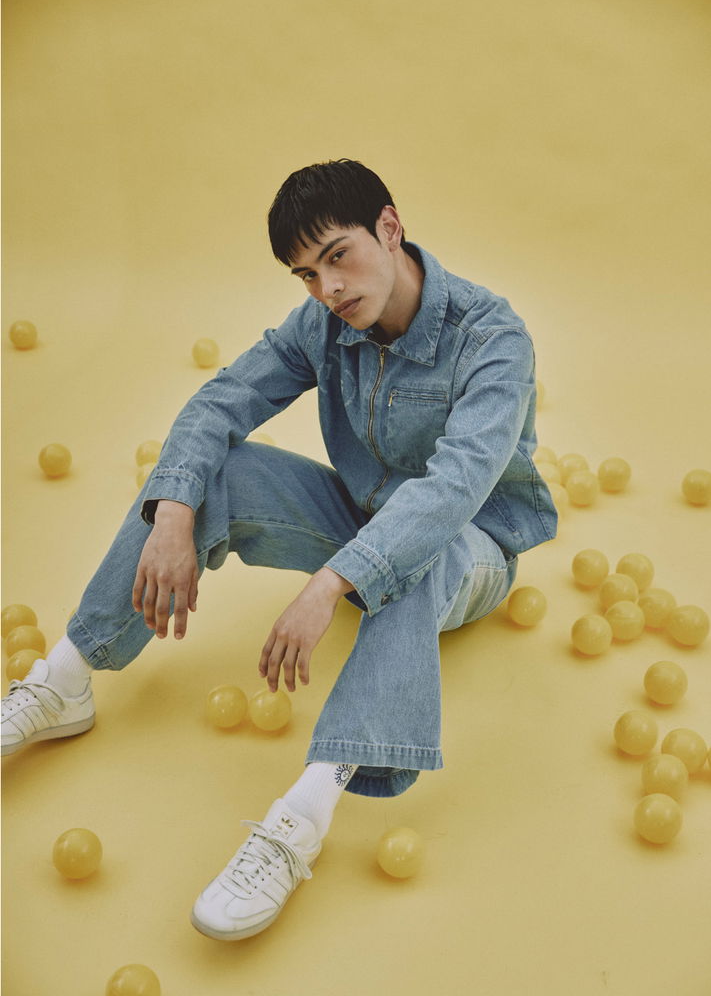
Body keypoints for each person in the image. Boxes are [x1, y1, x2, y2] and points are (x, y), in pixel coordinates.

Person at [1, 159, 557, 940]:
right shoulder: (323, 323)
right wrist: (174, 514)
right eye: (306, 274)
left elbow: (451, 492)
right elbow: (222, 401)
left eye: (338, 256)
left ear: (389, 228)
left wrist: (330, 583)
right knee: (210, 473)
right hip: (357, 517)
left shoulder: (492, 338)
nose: (327, 289)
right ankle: (63, 683)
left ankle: (301, 818)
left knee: (417, 554)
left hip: (471, 550)